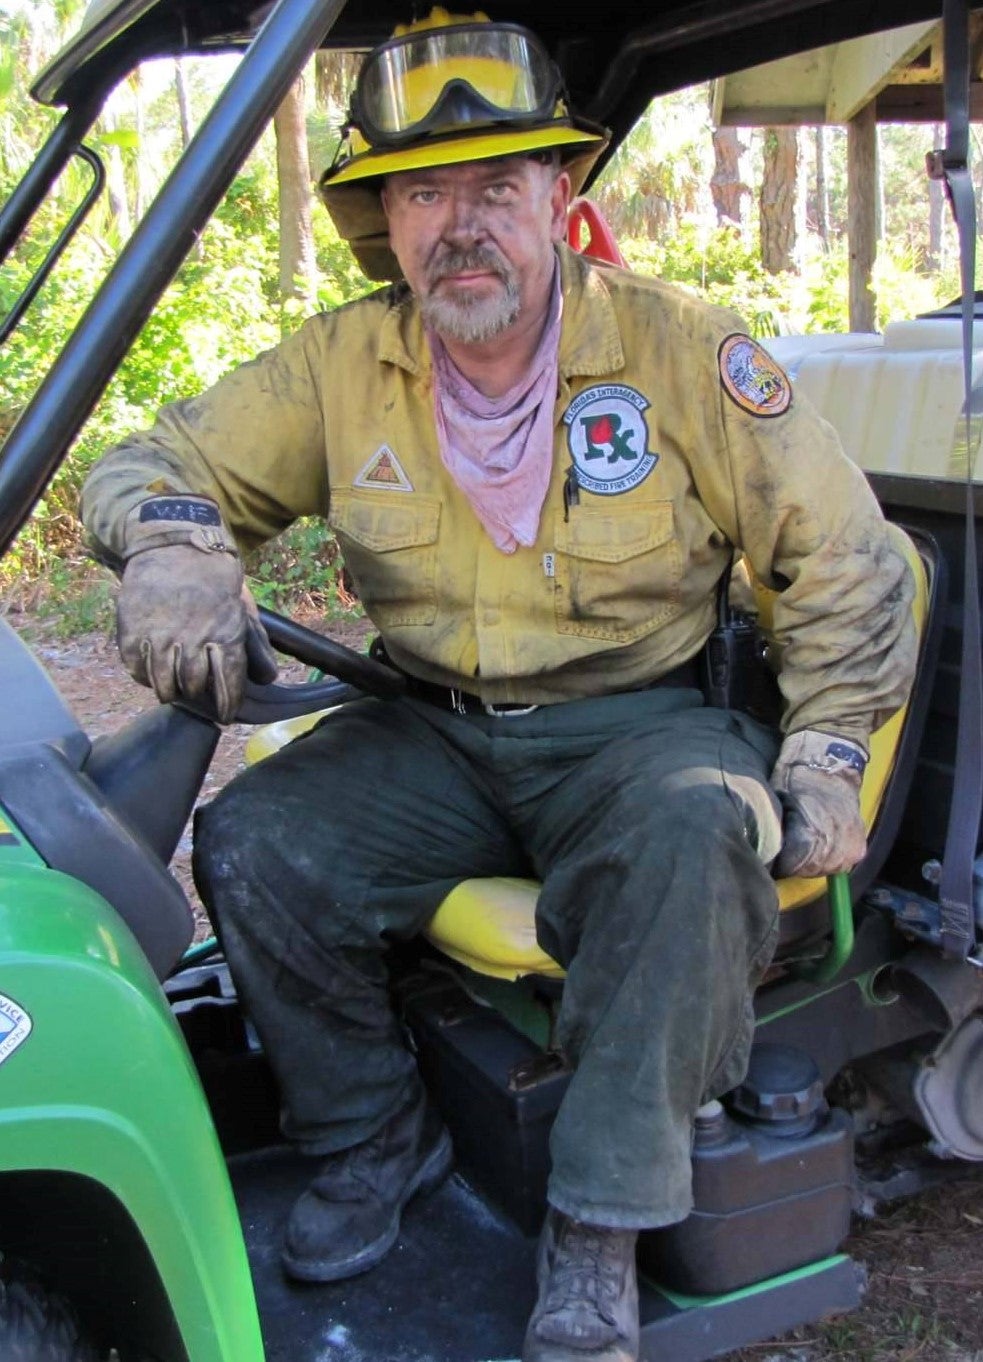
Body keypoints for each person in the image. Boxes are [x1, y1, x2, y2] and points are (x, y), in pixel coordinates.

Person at [80, 11, 917, 1361]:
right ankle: (372, 1136)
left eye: (494, 188)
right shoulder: (341, 367)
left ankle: (600, 1225)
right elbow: (155, 459)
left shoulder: (682, 353)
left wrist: (825, 742)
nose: (458, 227)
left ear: (559, 199)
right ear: (384, 221)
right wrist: (175, 540)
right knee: (256, 841)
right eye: (423, 193)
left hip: (639, 728)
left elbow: (842, 555)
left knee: (697, 835)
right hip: (437, 731)